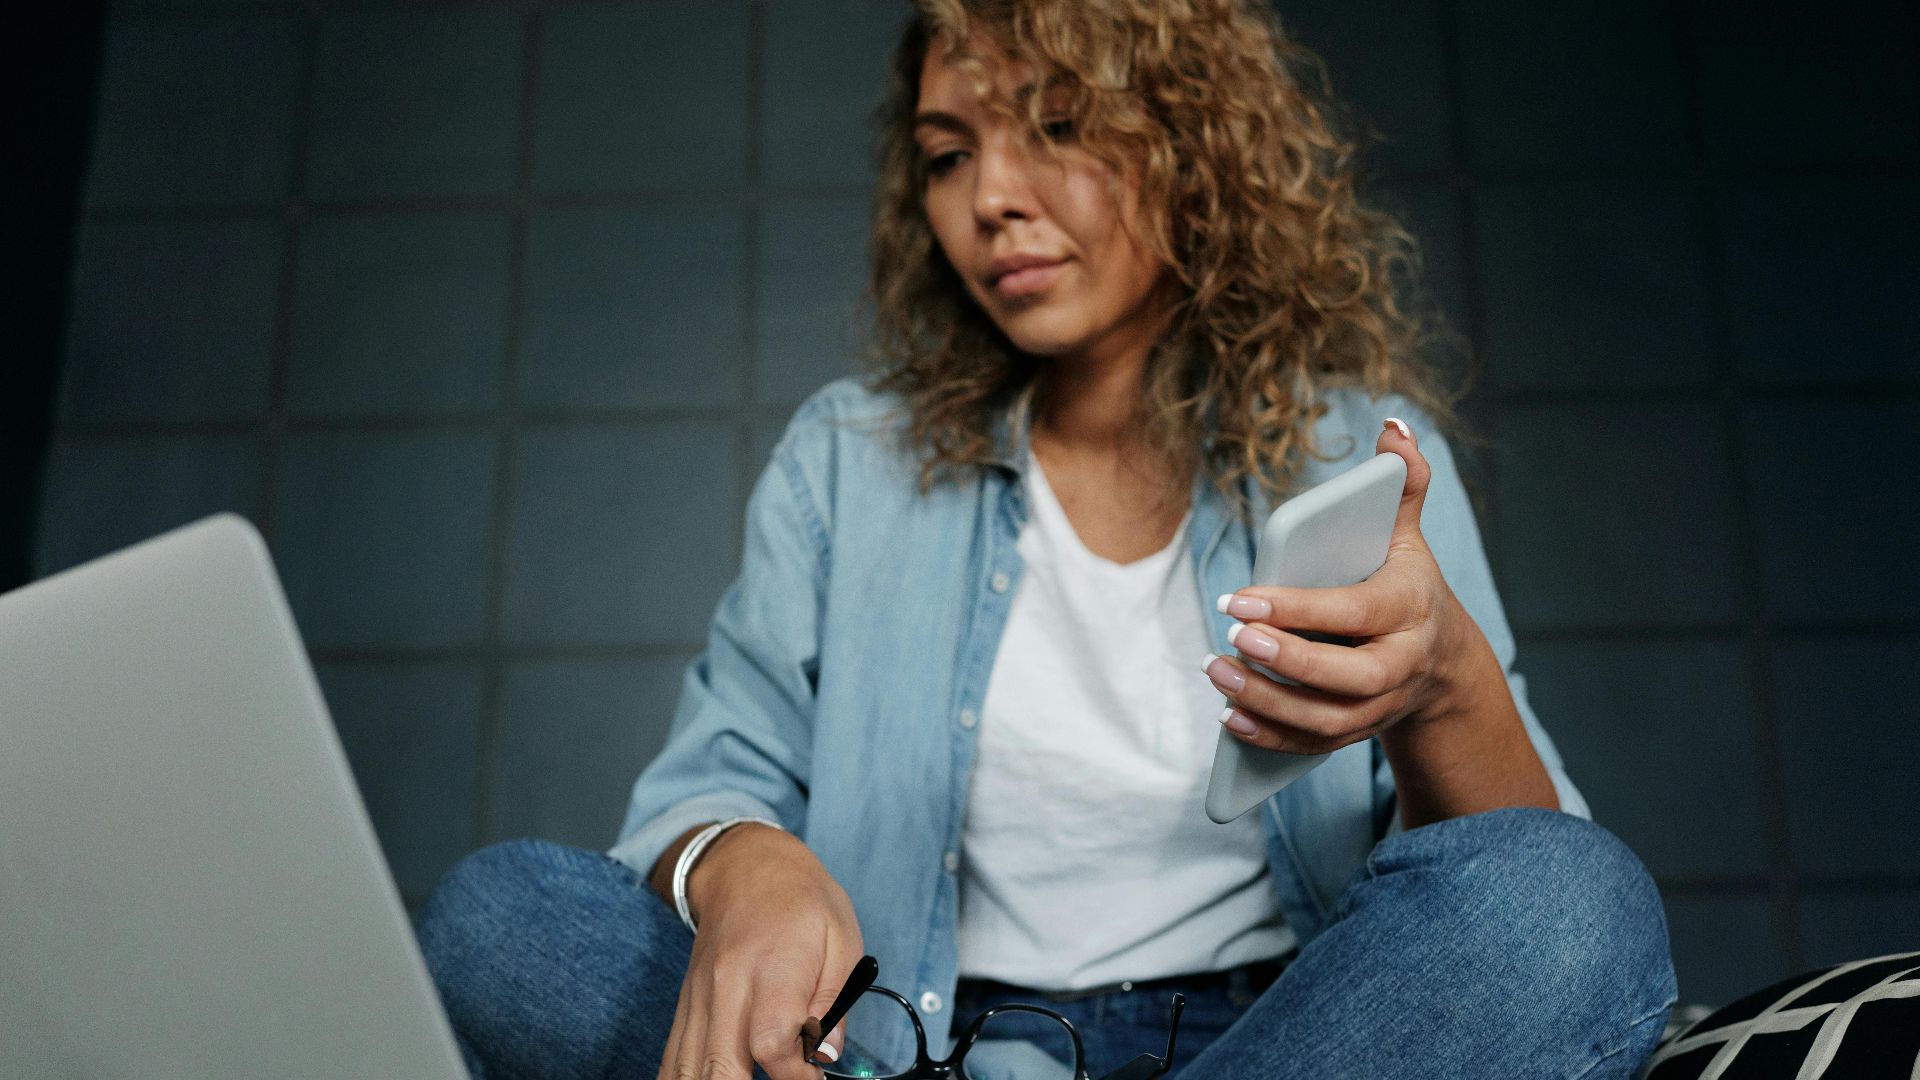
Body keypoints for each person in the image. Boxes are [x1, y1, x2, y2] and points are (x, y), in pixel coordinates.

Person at [415, 2, 1677, 1077]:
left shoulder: (1362, 459)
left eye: (1059, 127)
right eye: (948, 155)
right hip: (906, 1047)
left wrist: (1443, 676)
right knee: (502, 920)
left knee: (1574, 908)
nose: (994, 200)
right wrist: (747, 867)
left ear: (1190, 142)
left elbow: (1523, 861)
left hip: (1287, 1038)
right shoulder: (844, 464)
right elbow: (698, 790)